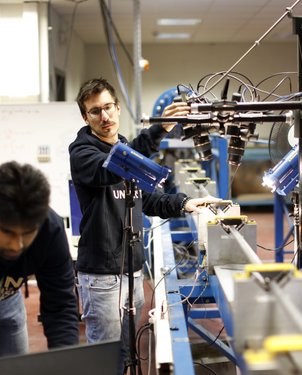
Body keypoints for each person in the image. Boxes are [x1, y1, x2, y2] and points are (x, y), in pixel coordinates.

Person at [68, 78, 220, 374]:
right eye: (95, 111)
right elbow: (117, 166)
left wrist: (185, 203)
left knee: (125, 352)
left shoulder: (123, 146)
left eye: (108, 107)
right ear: (85, 117)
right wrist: (161, 127)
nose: (105, 117)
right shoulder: (82, 152)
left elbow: (147, 199)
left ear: (118, 108)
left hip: (131, 270)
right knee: (105, 359)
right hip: (101, 277)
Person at [0, 161, 79, 358]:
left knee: (14, 370)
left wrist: (66, 361)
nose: (16, 245)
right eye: (7, 232)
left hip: (7, 301)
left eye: (27, 233)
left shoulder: (50, 229)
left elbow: (60, 305)